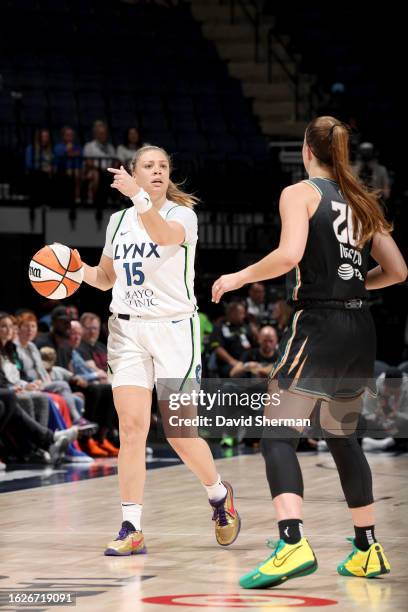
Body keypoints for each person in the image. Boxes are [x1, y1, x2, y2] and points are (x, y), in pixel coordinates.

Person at [212, 116, 407, 587]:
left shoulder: (300, 192)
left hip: (318, 321)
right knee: (342, 438)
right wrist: (359, 284)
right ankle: (367, 548)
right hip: (359, 327)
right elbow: (398, 270)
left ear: (306, 151)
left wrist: (237, 277)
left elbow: (288, 254)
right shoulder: (362, 201)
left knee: (276, 433)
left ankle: (292, 541)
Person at [72, 144, 240, 555]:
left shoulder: (182, 216)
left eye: (163, 165)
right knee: (131, 430)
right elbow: (106, 278)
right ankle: (132, 527)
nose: (158, 171)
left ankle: (219, 495)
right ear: (133, 170)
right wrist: (74, 269)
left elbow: (162, 236)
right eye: (148, 166)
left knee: (180, 432)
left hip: (173, 331)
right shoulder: (117, 221)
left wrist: (137, 195)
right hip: (127, 332)